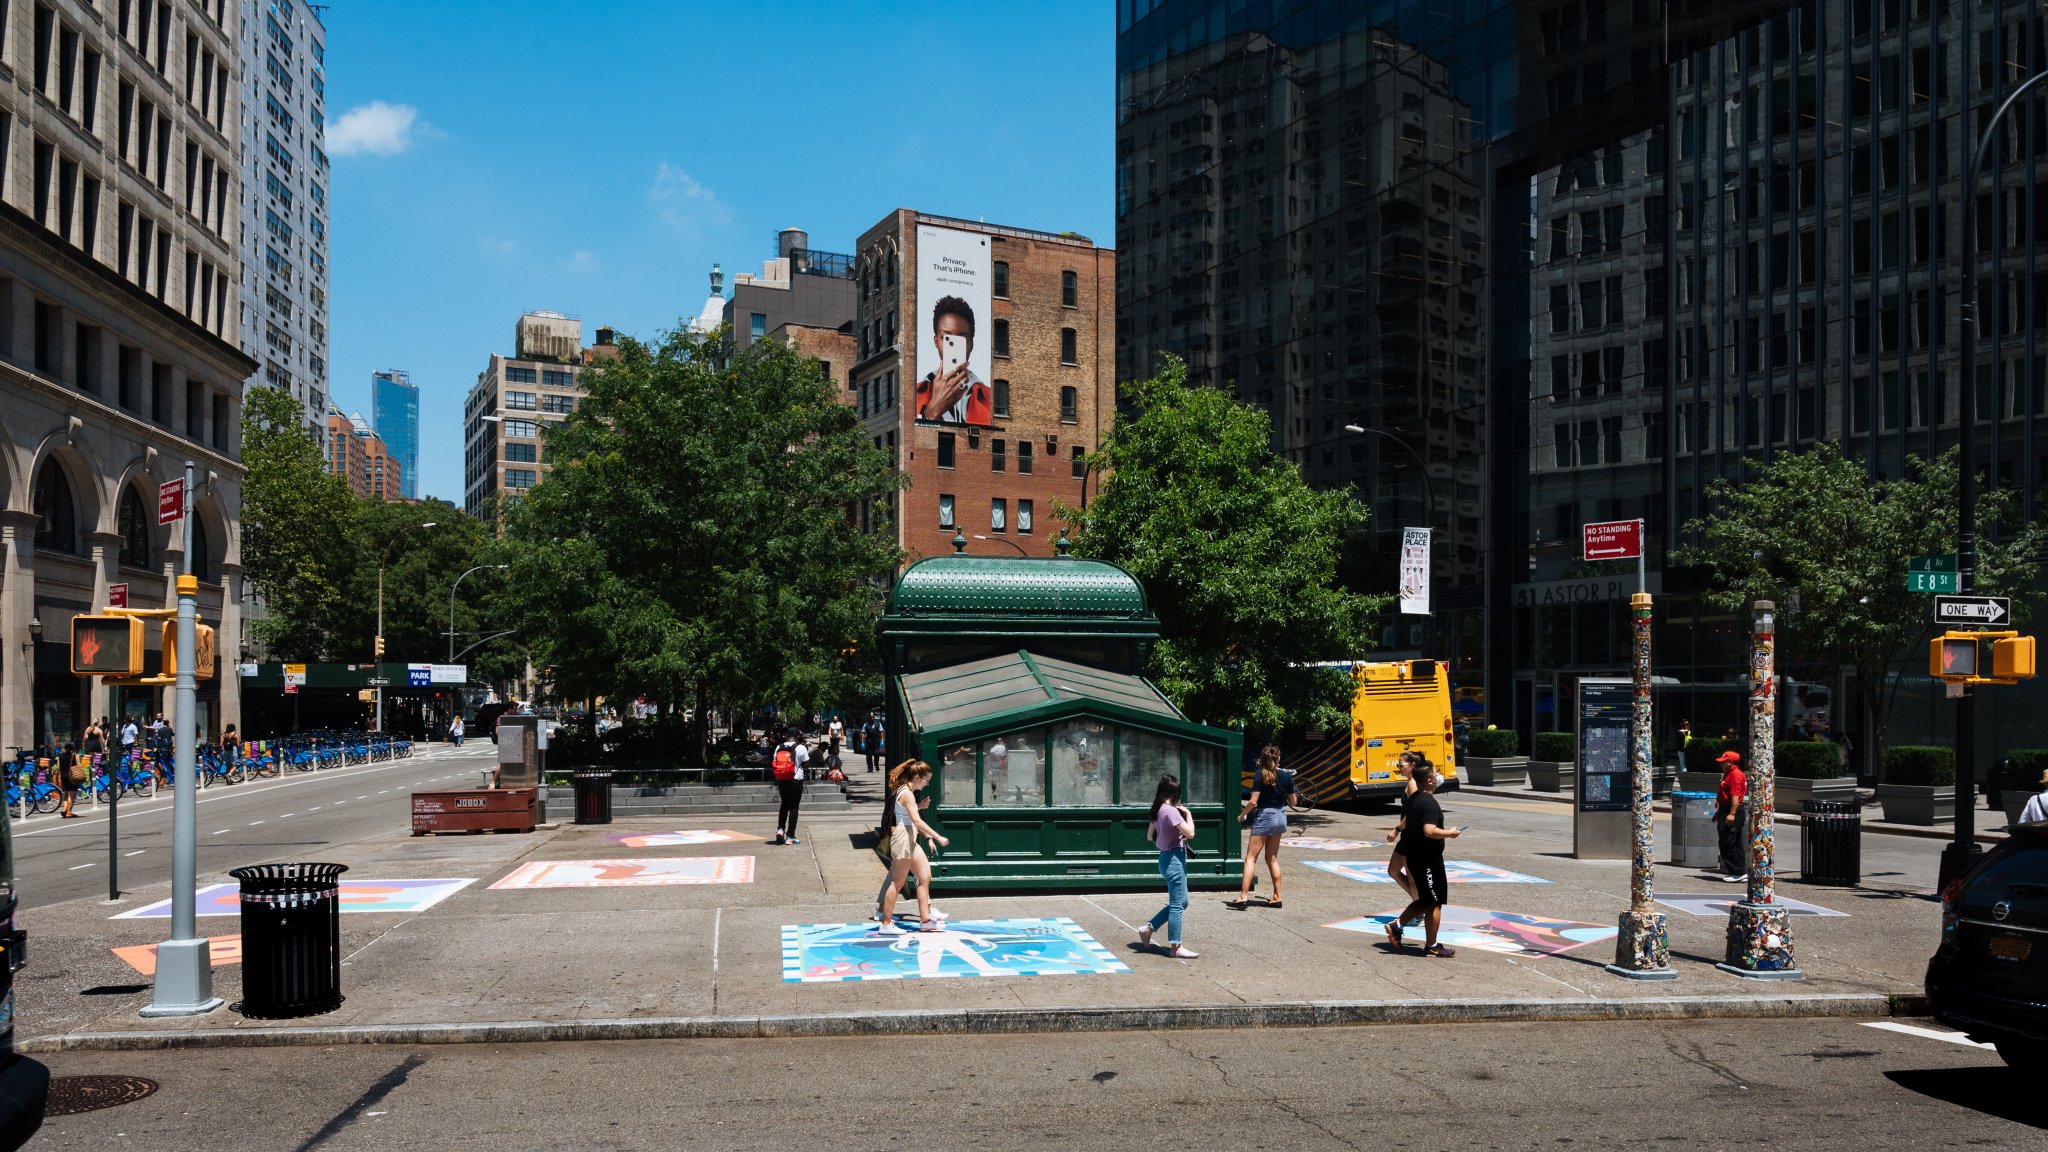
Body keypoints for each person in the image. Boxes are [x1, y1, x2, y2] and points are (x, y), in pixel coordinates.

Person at [1384, 762, 1461, 957]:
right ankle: (1431, 945)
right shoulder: (1429, 803)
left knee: (1427, 900)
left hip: (1416, 856)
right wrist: (1450, 833)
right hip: (1427, 859)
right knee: (1434, 902)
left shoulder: (1414, 798)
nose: (1439, 776)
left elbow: (1409, 821)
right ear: (1429, 780)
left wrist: (1398, 829)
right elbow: (1429, 830)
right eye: (1436, 774)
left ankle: (1399, 926)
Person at [877, 760, 949, 934]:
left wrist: (919, 807)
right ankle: (886, 923)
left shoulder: (906, 791)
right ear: (917, 777)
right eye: (926, 780)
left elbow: (908, 814)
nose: (927, 784)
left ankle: (925, 920)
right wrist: (937, 837)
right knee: (898, 881)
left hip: (910, 837)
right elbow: (916, 820)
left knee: (924, 876)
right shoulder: (907, 793)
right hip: (903, 838)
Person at [1230, 745, 1298, 910]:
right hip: (1280, 816)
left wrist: (1241, 815)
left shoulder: (1260, 775)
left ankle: (1243, 896)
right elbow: (1294, 802)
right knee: (1272, 858)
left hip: (1266, 816)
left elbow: (1253, 801)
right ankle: (1277, 897)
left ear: (1263, 759)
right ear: (1278, 758)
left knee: (1251, 858)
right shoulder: (1286, 776)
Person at [1139, 775, 1199, 959]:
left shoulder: (1157, 809)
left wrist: (1167, 833)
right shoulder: (1172, 811)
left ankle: (1148, 928)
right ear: (1175, 793)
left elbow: (1150, 836)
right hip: (1174, 859)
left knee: (1182, 902)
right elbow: (1191, 833)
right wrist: (1187, 813)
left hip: (1165, 859)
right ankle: (1176, 946)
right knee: (1176, 905)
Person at [913, 296, 993, 425]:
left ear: (971, 345)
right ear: (936, 341)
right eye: (946, 338)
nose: (953, 347)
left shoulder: (990, 398)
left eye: (961, 340)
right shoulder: (913, 394)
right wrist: (931, 413)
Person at [1384, 752, 1424, 899]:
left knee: (1412, 877)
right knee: (1393, 870)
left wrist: (1397, 829)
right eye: (1398, 764)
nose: (1399, 767)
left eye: (1401, 765)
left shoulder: (1413, 784)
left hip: (1412, 836)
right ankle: (1419, 903)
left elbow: (1414, 811)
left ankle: (1418, 909)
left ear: (1412, 765)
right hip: (1407, 837)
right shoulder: (1411, 782)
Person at [1714, 749, 1749, 882]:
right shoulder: (1729, 773)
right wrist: (1720, 812)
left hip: (1732, 809)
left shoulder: (1735, 775)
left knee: (1728, 841)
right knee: (1732, 840)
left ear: (1731, 762)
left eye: (1724, 762)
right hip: (1726, 809)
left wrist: (1732, 813)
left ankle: (1737, 872)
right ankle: (1738, 871)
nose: (1721, 764)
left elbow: (1735, 796)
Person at [771, 729, 809, 846]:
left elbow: (775, 762)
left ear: (786, 735)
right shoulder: (801, 747)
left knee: (784, 804)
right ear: (797, 736)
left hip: (782, 779)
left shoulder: (779, 747)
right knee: (794, 807)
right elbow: (806, 764)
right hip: (796, 780)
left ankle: (780, 830)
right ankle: (790, 836)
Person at [57, 742, 84, 818]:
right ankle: (69, 812)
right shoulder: (75, 755)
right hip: (72, 776)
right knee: (72, 795)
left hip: (63, 776)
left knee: (66, 794)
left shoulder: (60, 755)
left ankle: (64, 809)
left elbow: (58, 767)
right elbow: (79, 766)